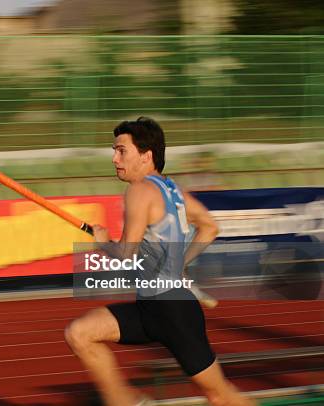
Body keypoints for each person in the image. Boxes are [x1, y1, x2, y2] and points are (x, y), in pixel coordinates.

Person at [64, 117, 253, 406]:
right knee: (80, 333)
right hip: (153, 307)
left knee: (220, 395)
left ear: (146, 155)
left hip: (173, 312)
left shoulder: (139, 190)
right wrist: (181, 261)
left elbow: (126, 254)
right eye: (114, 151)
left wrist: (102, 242)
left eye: (121, 150)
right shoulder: (173, 191)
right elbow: (210, 226)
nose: (115, 158)